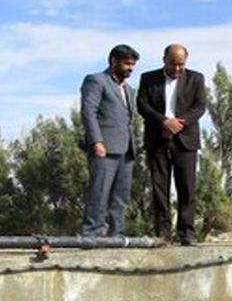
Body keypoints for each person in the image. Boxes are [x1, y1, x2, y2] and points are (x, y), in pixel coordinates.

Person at [136, 43, 206, 245]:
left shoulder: (196, 78)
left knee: (187, 189)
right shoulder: (148, 78)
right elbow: (143, 105)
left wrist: (178, 123)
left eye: (181, 65)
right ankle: (162, 234)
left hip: (186, 141)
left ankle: (187, 233)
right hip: (157, 139)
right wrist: (163, 122)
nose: (176, 69)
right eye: (173, 64)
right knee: (159, 189)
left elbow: (199, 106)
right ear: (164, 59)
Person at [79, 44, 139, 238]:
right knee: (100, 192)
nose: (130, 68)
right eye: (127, 64)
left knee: (121, 196)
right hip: (105, 147)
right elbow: (89, 112)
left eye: (133, 65)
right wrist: (96, 141)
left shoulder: (129, 89)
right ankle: (92, 233)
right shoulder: (96, 81)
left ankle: (117, 234)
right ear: (114, 61)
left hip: (126, 149)